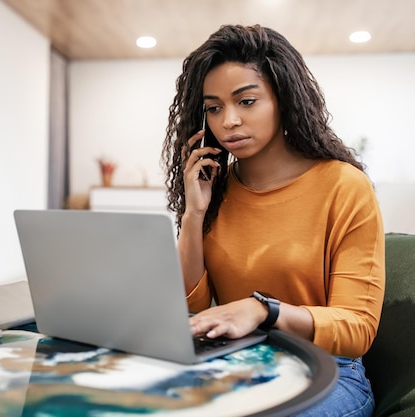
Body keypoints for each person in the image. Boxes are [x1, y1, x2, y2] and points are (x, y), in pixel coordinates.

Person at [161, 24, 385, 416]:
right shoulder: (216, 190)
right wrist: (193, 214)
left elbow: (357, 329)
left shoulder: (344, 186)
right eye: (214, 108)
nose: (228, 120)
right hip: (236, 361)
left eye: (246, 102)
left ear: (283, 98)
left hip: (327, 371)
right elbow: (191, 308)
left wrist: (266, 310)